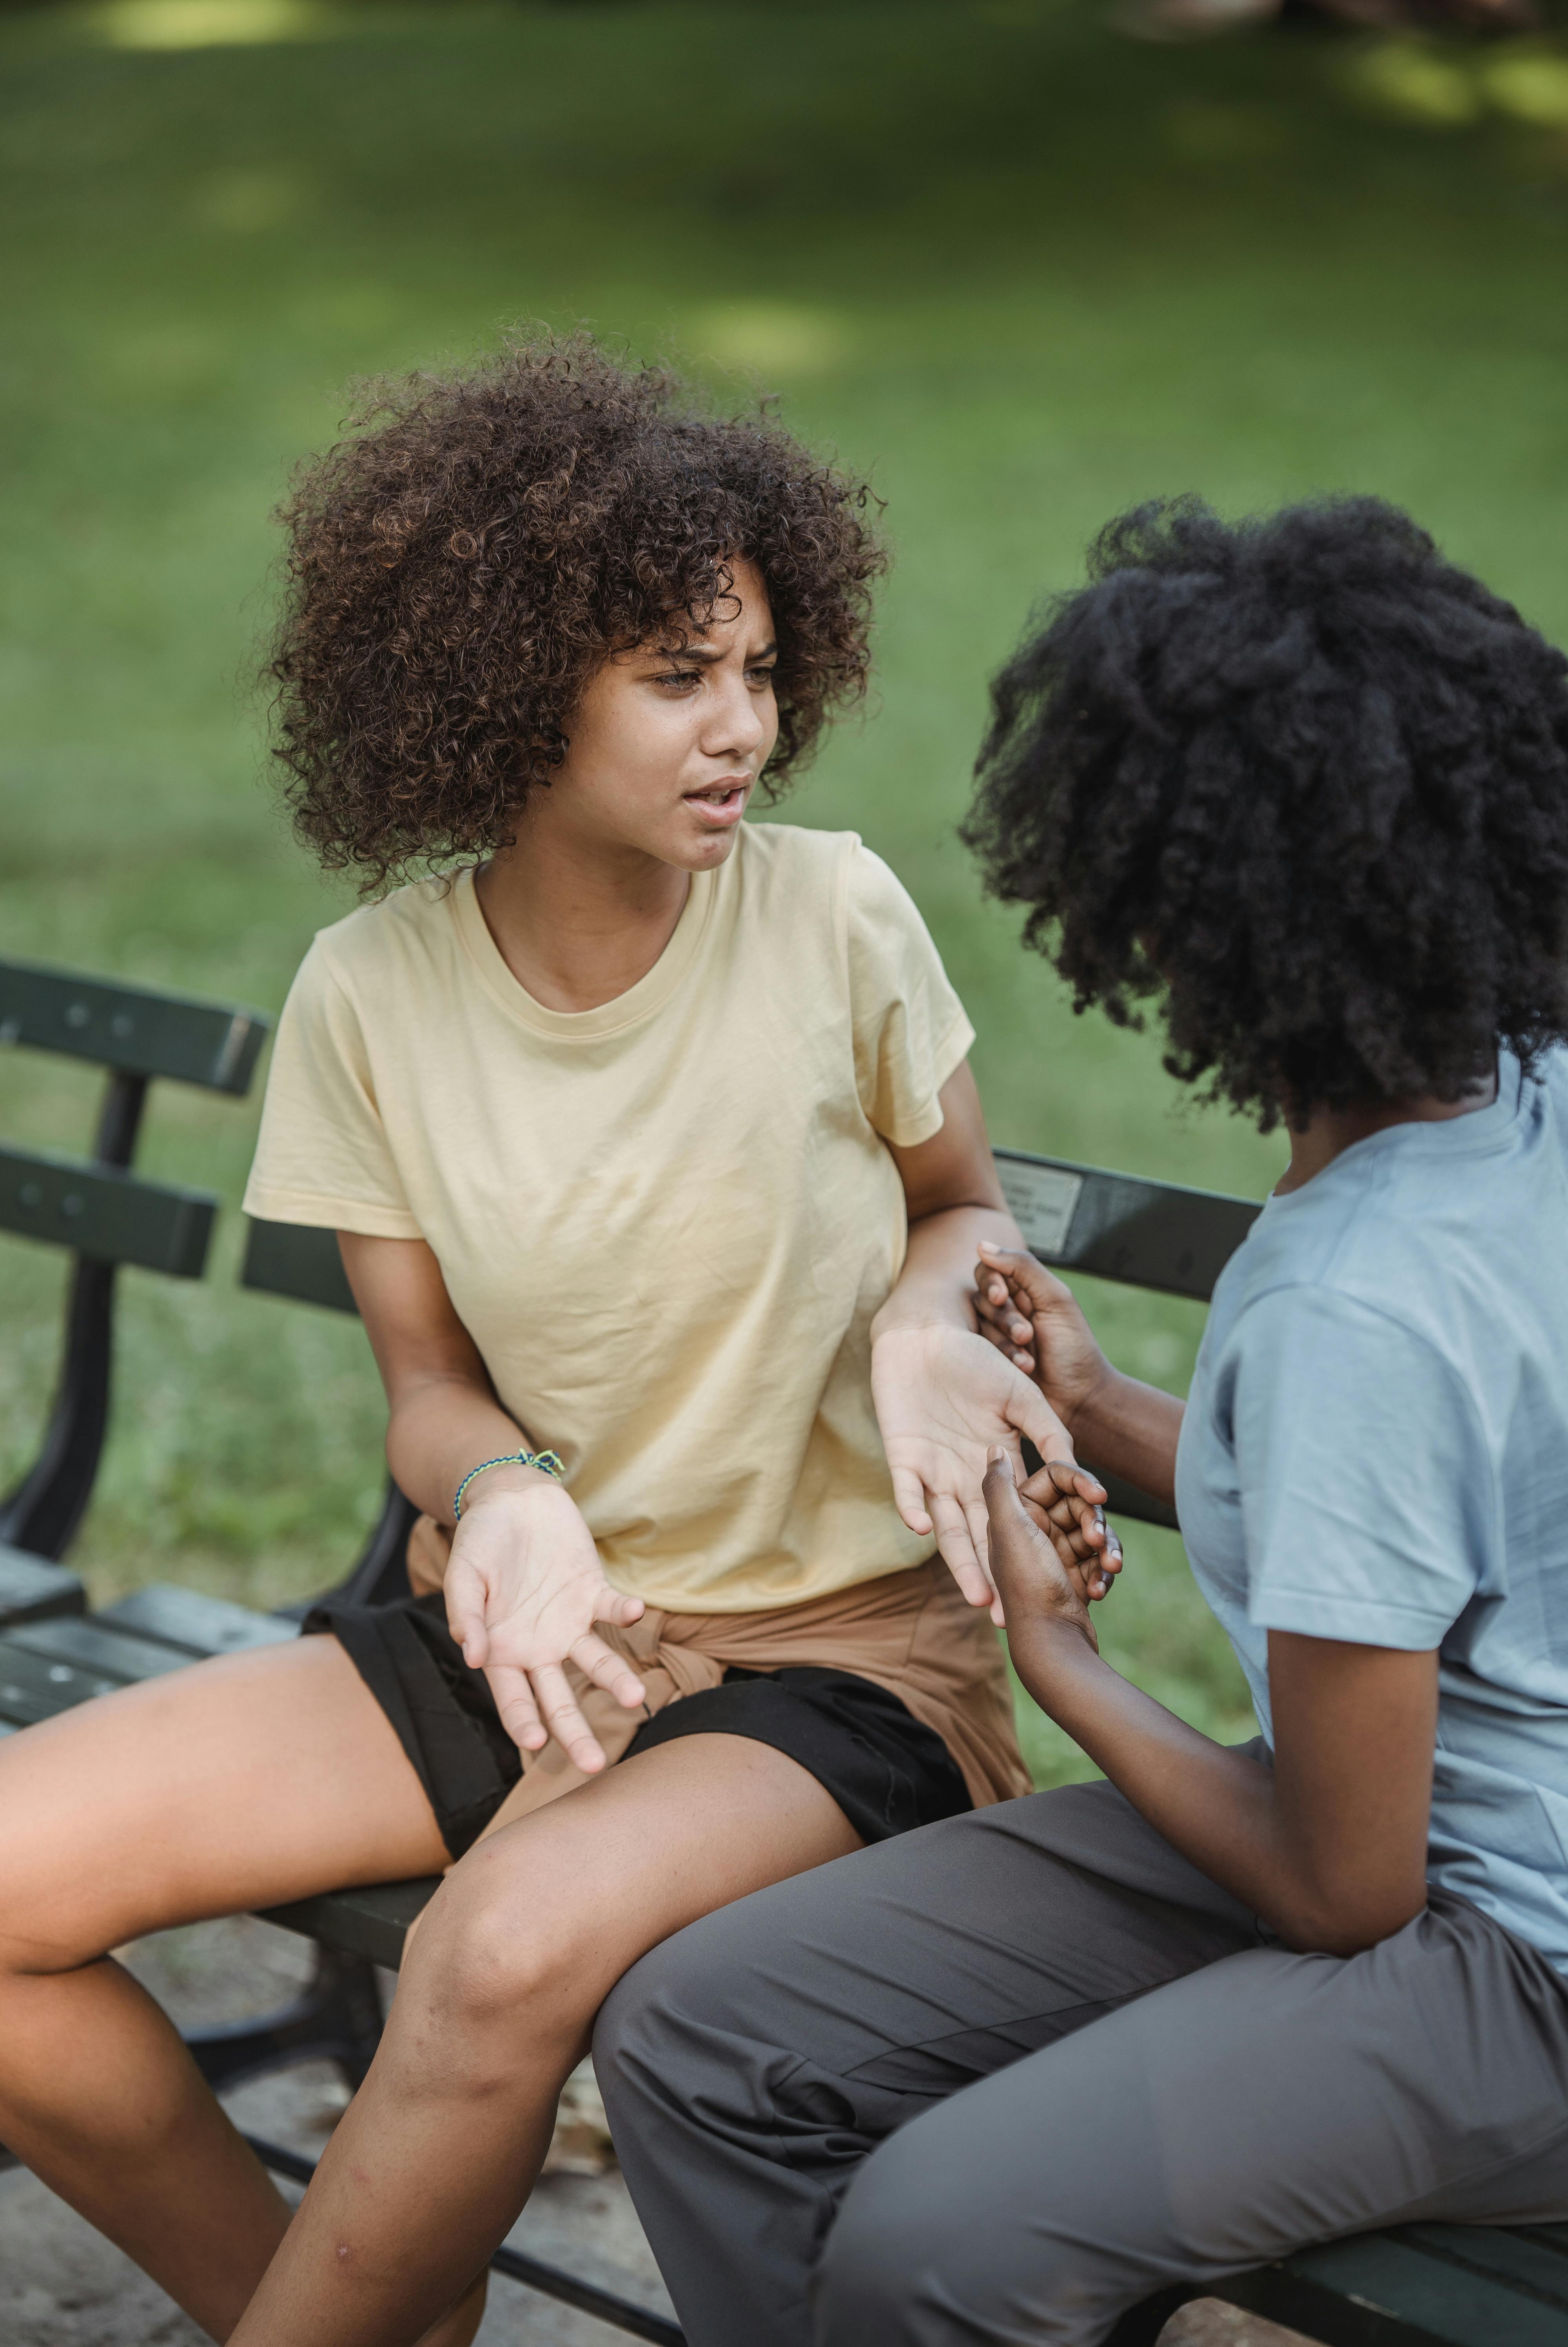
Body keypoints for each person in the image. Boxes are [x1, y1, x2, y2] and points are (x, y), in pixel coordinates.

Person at [0, 332, 1112, 2347]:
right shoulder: (373, 995)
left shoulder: (836, 918)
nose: (742, 731)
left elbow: (959, 1206)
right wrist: (504, 1494)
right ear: (512, 690)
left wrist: (943, 1317)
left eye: (761, 670)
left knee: (495, 1958)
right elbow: (425, 1385)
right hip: (537, 1635)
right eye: (677, 678)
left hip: (841, 1665)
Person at [594, 495, 1568, 2347]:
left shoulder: (1355, 1287)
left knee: (934, 2247)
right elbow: (1436, 1508)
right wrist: (1106, 1412)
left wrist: (1067, 1667)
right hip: (1403, 1842)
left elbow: (1342, 1889)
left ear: (1166, 914)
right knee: (705, 2033)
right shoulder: (1520, 1103)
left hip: (1509, 1955)